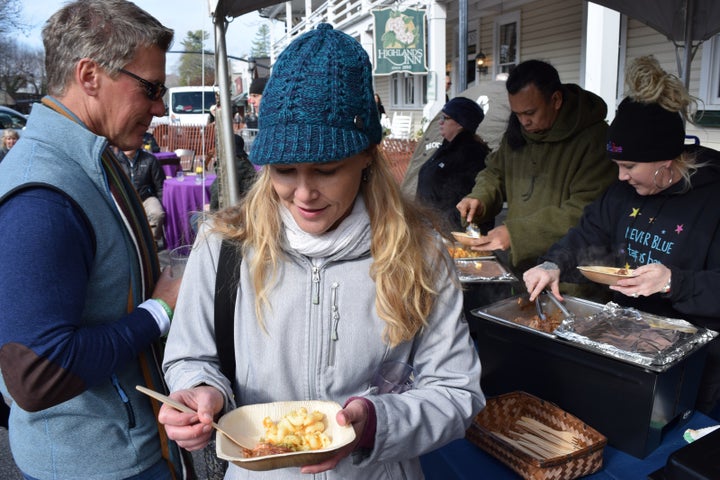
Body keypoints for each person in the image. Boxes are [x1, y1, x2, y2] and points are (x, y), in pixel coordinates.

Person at [160, 23, 484, 480]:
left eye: (327, 170)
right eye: (285, 170)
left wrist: (375, 424)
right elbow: (191, 355)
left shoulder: (421, 252)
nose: (303, 193)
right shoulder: (225, 245)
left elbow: (456, 392)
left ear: (368, 157)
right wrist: (198, 390)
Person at [0, 1, 191, 479]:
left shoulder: (92, 157)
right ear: (89, 76)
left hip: (126, 444)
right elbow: (35, 375)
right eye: (150, 88)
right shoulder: (42, 195)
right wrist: (158, 312)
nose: (160, 106)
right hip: (99, 463)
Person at [522, 55, 720, 418]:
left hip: (691, 373)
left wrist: (673, 282)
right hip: (622, 347)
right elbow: (587, 235)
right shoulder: (621, 195)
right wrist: (553, 264)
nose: (621, 177)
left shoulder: (712, 200)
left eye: (629, 166)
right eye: (617, 166)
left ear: (667, 160)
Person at [456, 59, 617, 289]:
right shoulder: (517, 133)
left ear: (556, 100)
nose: (524, 121)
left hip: (571, 280)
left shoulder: (594, 140)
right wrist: (480, 199)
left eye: (530, 112)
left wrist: (516, 233)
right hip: (522, 270)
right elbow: (495, 173)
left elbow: (585, 211)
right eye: (517, 114)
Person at [416, 97, 492, 233]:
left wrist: (439, 227)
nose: (440, 122)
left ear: (460, 123)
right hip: (428, 226)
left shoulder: (471, 155)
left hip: (449, 232)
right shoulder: (447, 147)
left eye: (445, 118)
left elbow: (464, 200)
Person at [114, 146, 167, 243]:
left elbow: (160, 186)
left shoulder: (150, 159)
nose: (127, 146)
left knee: (157, 213)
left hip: (146, 197)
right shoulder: (116, 161)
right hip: (125, 199)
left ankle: (152, 241)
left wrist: (163, 203)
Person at [209, 134, 256, 210]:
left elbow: (217, 190)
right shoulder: (242, 161)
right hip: (244, 207)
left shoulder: (233, 165)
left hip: (241, 212)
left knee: (194, 218)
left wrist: (212, 213)